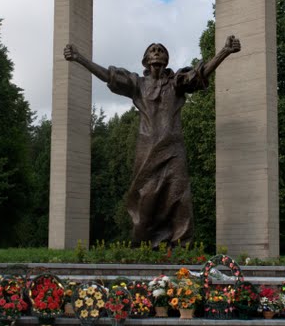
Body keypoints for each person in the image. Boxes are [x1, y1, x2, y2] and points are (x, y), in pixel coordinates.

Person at [63, 36, 241, 246]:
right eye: (152, 50)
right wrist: (80, 59)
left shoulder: (176, 83)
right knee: (145, 199)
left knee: (179, 197)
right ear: (145, 59)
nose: (157, 52)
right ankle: (143, 246)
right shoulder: (137, 84)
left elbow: (198, 75)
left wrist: (224, 52)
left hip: (173, 150)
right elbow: (109, 76)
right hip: (147, 150)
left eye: (161, 50)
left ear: (166, 59)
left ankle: (182, 248)